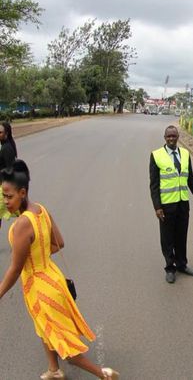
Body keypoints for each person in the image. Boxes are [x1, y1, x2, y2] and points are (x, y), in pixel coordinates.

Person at [0, 160, 119, 379]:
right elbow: (59, 243)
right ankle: (54, 370)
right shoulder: (41, 210)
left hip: (39, 287)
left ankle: (104, 374)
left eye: (9, 196)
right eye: (3, 196)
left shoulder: (21, 225)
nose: (5, 201)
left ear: (23, 192)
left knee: (64, 345)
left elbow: (15, 269)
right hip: (53, 277)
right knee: (44, 328)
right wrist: (39, 255)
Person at [149, 125, 193, 283]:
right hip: (166, 205)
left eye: (174, 136)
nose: (171, 139)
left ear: (178, 136)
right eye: (169, 137)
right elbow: (154, 184)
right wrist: (157, 207)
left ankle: (181, 264)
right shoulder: (156, 155)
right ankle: (170, 267)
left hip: (182, 204)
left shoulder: (185, 154)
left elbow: (190, 180)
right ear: (165, 138)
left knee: (181, 236)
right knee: (167, 238)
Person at [0, 121, 17, 227]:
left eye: (0, 132)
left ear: (6, 133)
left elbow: (10, 169)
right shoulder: (4, 146)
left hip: (2, 186)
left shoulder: (7, 148)